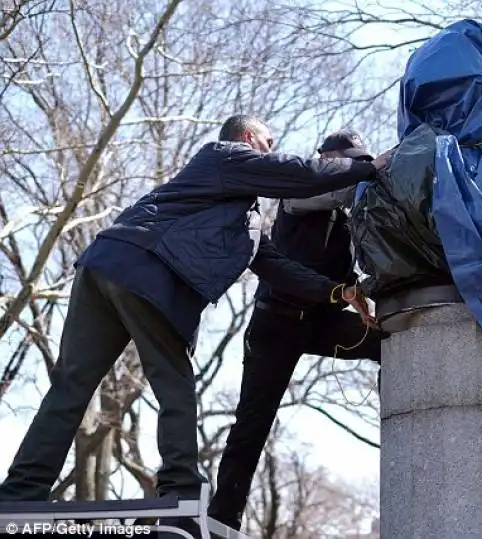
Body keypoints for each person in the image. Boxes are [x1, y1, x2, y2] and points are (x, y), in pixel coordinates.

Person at [0, 116, 387, 514]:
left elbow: (276, 266)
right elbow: (301, 173)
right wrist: (370, 168)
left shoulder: (242, 219)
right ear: (250, 138)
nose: (272, 150)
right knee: (175, 384)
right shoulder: (223, 155)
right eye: (268, 142)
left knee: (71, 386)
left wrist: (340, 291)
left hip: (104, 265)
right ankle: (181, 492)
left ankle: (20, 491)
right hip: (147, 271)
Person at [207, 130, 385, 532]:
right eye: (347, 161)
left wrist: (361, 294)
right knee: (252, 426)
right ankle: (222, 523)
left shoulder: (348, 214)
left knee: (391, 343)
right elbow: (342, 190)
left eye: (361, 160)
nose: (355, 167)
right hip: (277, 325)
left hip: (322, 323)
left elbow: (342, 260)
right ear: (324, 159)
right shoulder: (298, 193)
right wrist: (379, 171)